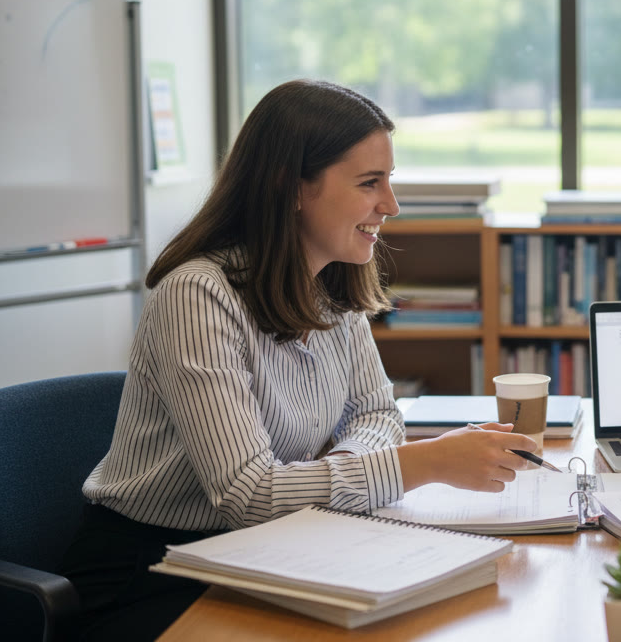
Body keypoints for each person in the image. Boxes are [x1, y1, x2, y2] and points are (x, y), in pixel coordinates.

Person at [60, 79, 536, 640]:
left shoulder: (332, 285)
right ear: (291, 188)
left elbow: (377, 415)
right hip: (158, 573)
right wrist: (421, 465)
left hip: (285, 547)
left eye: (390, 181)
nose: (391, 205)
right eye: (369, 183)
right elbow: (249, 494)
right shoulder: (198, 295)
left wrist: (339, 472)